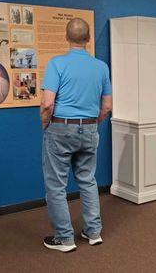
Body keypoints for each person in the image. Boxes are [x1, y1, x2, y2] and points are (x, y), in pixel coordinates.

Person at [40, 17, 112, 252]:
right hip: (90, 128)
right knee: (88, 181)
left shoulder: (56, 63)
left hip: (60, 128)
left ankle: (65, 238)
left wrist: (45, 125)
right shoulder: (101, 67)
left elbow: (48, 104)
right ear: (89, 39)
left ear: (66, 37)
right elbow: (107, 106)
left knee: (56, 185)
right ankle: (93, 232)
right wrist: (94, 123)